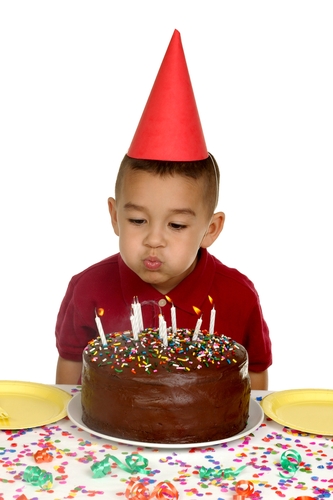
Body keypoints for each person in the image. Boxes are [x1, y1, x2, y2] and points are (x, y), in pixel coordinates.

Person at [55, 30, 272, 389]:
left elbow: (257, 377)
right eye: (137, 220)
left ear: (211, 229)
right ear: (114, 216)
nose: (153, 239)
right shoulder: (88, 290)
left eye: (176, 225)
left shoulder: (238, 297)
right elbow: (69, 370)